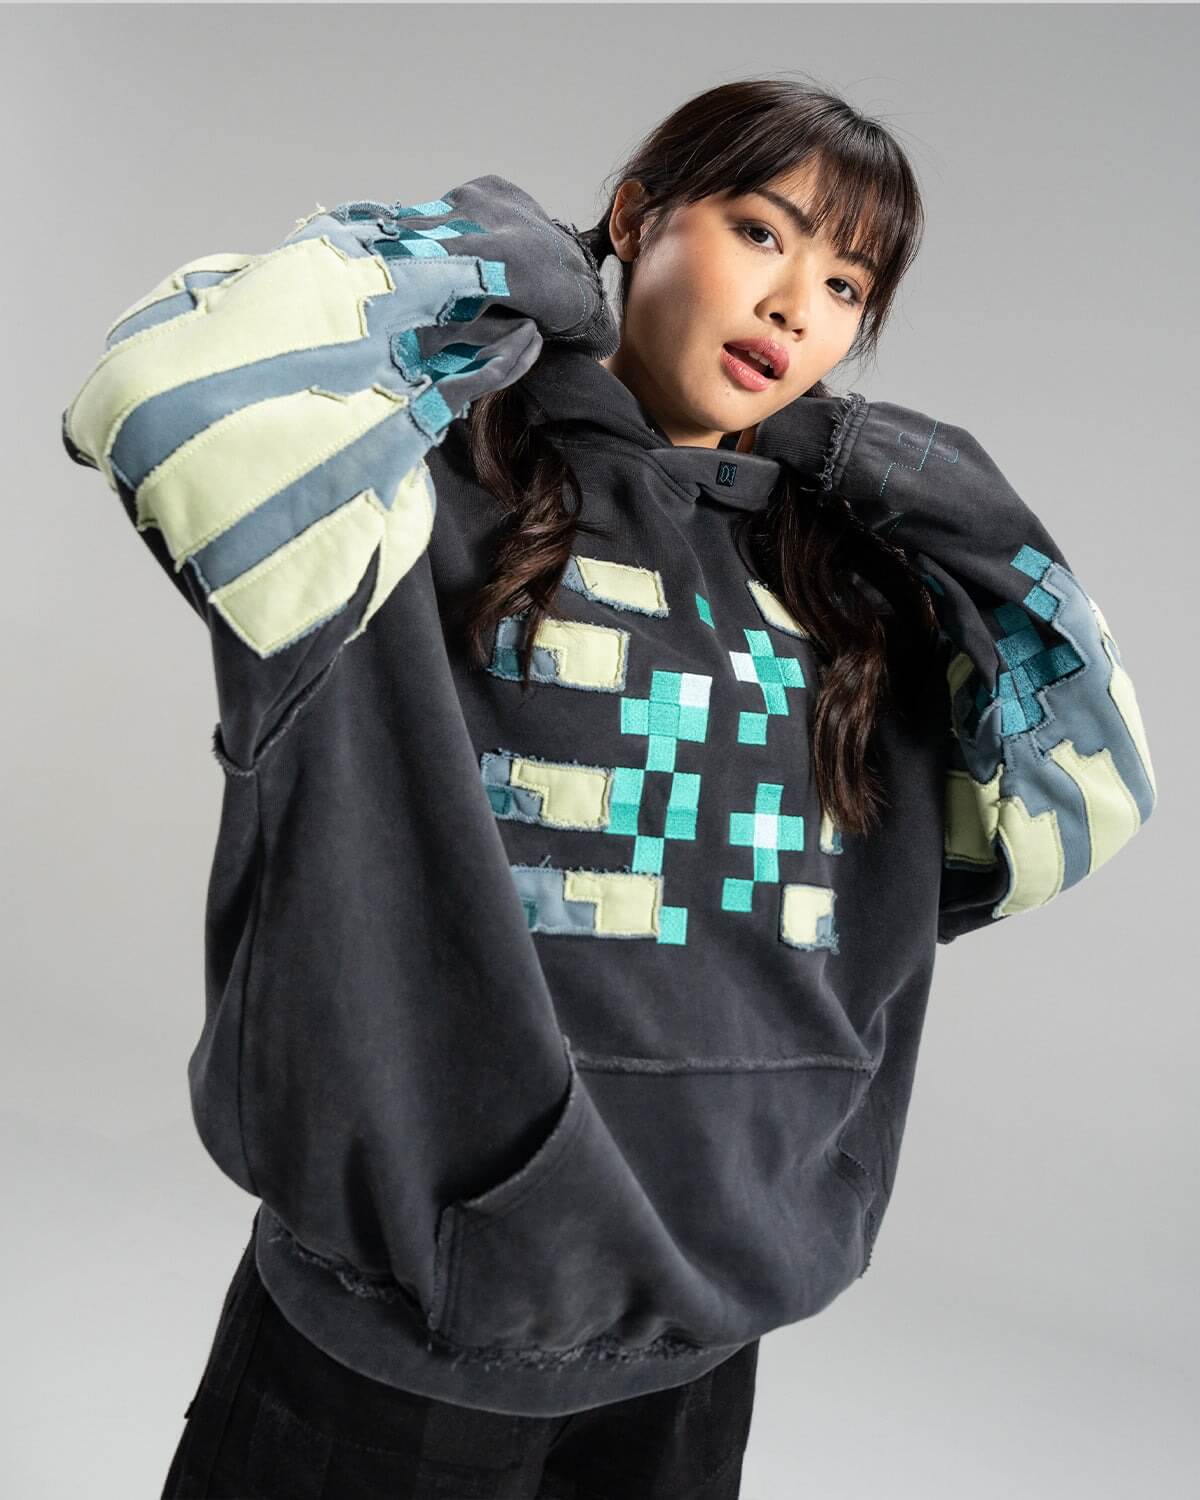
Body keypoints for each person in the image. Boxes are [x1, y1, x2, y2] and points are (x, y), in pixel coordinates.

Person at [61, 75, 1157, 1500]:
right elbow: (165, 392)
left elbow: (1085, 791)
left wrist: (863, 456)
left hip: (698, 1347)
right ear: (638, 217)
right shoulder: (412, 493)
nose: (794, 307)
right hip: (401, 1340)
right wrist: (517, 264)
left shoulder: (851, 595)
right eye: (761, 232)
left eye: (846, 285)